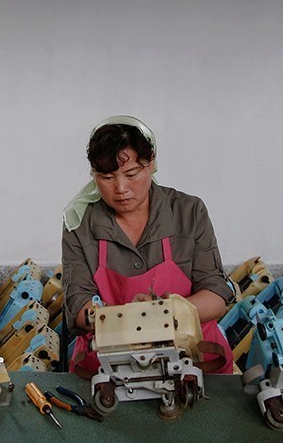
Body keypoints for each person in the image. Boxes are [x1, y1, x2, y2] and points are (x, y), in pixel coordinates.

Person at [61, 115, 234, 376]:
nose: (121, 188)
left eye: (131, 174)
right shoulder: (80, 223)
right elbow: (78, 305)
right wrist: (132, 318)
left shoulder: (188, 212)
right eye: (106, 177)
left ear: (151, 163)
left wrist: (164, 313)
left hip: (193, 361)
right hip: (111, 366)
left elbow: (216, 296)